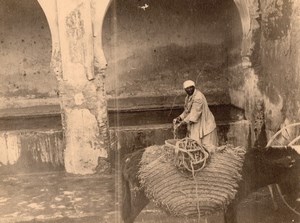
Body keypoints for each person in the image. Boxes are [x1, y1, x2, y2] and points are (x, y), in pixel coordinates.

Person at [173, 80, 218, 150]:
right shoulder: (188, 97)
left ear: (194, 87)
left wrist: (182, 123)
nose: (190, 89)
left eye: (191, 87)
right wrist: (179, 118)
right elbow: (187, 111)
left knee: (207, 145)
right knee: (195, 143)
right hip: (197, 122)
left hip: (205, 123)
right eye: (187, 88)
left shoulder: (198, 97)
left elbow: (194, 114)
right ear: (185, 89)